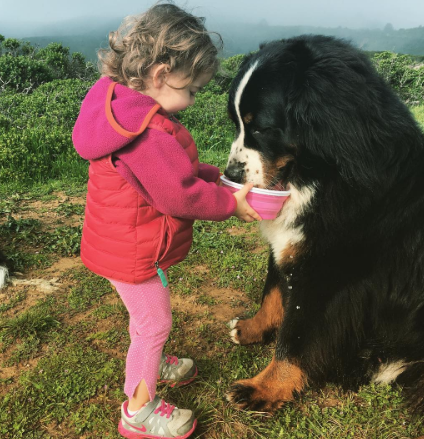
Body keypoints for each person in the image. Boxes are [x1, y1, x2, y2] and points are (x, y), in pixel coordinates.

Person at [72, 3, 260, 438]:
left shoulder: (116, 101)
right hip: (133, 250)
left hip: (118, 240)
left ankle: (152, 363)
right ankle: (138, 410)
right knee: (154, 323)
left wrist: (218, 178)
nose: (192, 99)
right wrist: (230, 204)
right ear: (159, 75)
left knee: (146, 320)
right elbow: (179, 194)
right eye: (190, 89)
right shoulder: (149, 134)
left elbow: (177, 173)